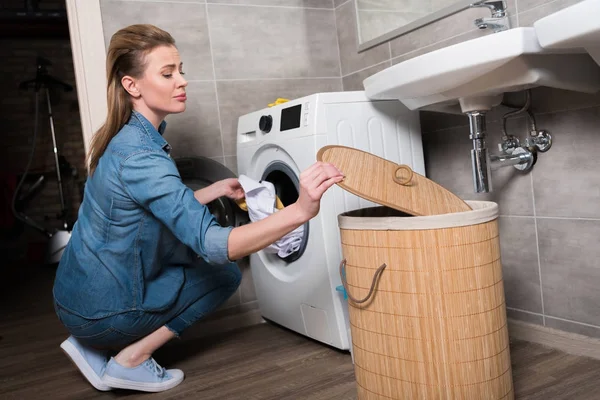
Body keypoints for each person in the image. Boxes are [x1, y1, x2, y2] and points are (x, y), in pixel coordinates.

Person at [52, 24, 343, 393]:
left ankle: (90, 339)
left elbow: (143, 210)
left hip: (74, 297)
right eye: (167, 73)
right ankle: (129, 359)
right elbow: (215, 246)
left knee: (173, 250)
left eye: (181, 70)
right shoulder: (142, 156)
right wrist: (301, 210)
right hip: (101, 312)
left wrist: (214, 191)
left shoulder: (127, 137)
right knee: (224, 276)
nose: (183, 81)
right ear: (132, 85)